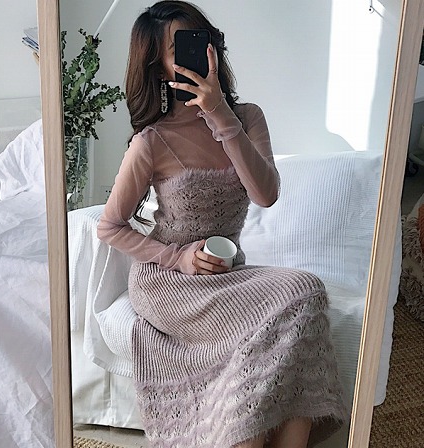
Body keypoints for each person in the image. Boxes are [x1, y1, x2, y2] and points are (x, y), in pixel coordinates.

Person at [97, 1, 347, 447]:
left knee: (305, 289)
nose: (199, 53)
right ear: (160, 68)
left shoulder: (247, 117)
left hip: (227, 274)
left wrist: (219, 114)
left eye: (202, 39)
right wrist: (177, 257)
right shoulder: (151, 141)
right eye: (179, 49)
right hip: (169, 282)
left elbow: (265, 194)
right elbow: (110, 226)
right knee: (296, 299)